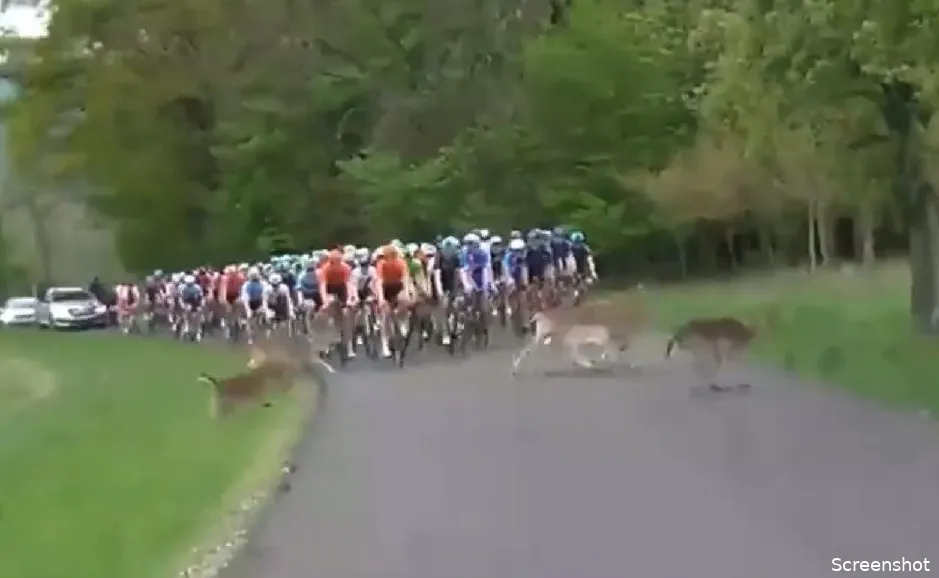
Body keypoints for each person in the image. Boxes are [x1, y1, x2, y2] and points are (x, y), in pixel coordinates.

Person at [374, 244, 412, 358]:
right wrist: (381, 299)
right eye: (387, 256)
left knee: (404, 299)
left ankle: (402, 320)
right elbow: (379, 282)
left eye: (392, 255)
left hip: (397, 286)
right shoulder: (381, 264)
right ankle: (385, 344)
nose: (390, 258)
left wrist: (406, 293)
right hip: (386, 288)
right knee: (385, 315)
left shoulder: (401, 263)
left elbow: (405, 279)